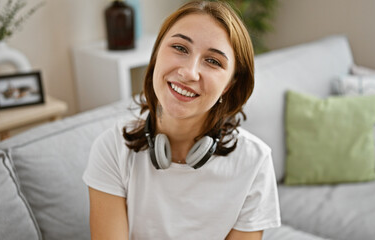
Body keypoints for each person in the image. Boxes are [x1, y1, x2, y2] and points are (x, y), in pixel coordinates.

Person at [82, 1, 281, 239]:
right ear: (156, 54)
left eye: (213, 61)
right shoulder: (112, 148)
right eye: (180, 47)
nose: (189, 72)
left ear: (229, 85)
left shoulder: (254, 163)